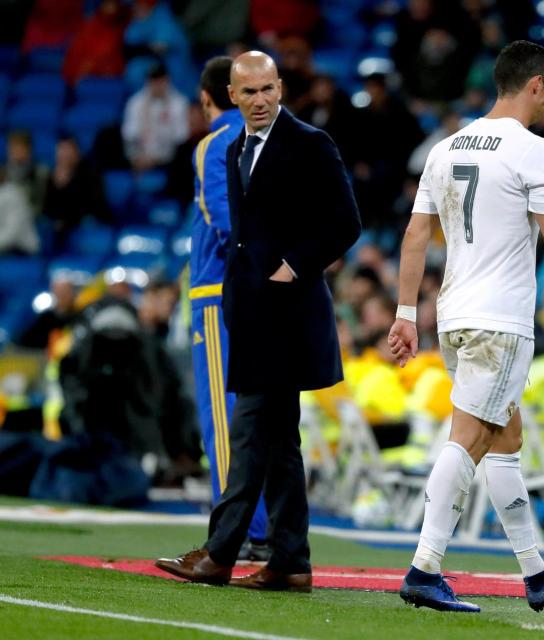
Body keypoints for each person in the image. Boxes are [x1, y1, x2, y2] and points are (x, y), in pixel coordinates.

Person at [387, 41, 544, 613]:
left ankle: (536, 572)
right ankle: (423, 568)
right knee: (469, 439)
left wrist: (404, 314)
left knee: (506, 440)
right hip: (500, 320)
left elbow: (416, 235)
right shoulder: (534, 150)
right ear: (538, 85)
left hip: (454, 315)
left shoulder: (445, 149)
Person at [156, 51, 361, 591]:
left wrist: (292, 268)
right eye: (250, 93)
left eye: (269, 89)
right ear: (232, 97)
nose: (262, 100)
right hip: (252, 315)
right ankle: (291, 561)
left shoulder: (311, 143)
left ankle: (220, 554)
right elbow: (244, 237)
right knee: (277, 443)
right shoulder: (234, 151)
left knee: (249, 434)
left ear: (281, 87)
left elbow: (346, 222)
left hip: (289, 315)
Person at [178, 57, 270, 560]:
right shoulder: (277, 138)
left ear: (208, 96)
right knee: (266, 416)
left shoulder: (216, 144)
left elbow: (222, 220)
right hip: (273, 294)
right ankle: (266, 527)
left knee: (224, 415)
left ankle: (241, 532)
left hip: (219, 293)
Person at [121, 62, 190, 171]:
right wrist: (136, 157)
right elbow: (129, 135)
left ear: (167, 80)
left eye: (160, 80)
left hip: (170, 160)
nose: (157, 84)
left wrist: (158, 158)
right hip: (140, 157)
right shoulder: (135, 103)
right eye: (153, 80)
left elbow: (181, 137)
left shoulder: (179, 103)